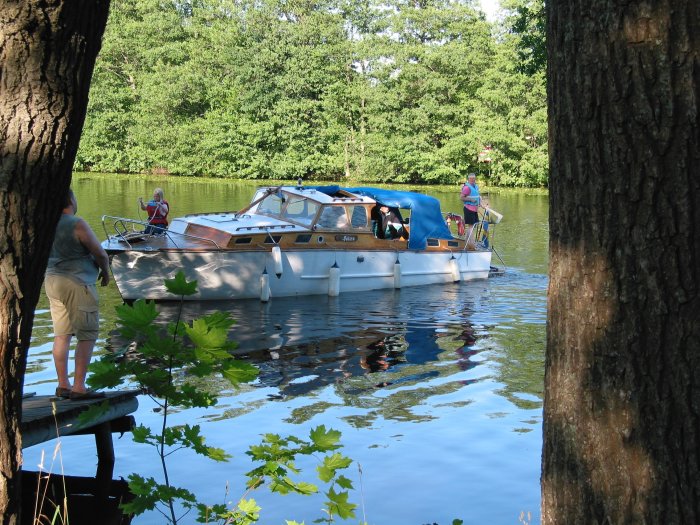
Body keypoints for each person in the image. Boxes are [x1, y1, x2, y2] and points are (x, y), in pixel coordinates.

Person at [45, 189, 110, 400]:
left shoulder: (45, 222)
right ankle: (79, 387)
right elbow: (100, 253)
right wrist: (106, 273)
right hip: (78, 282)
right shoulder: (76, 223)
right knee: (87, 334)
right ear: (71, 200)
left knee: (61, 334)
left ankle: (63, 384)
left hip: (52, 281)